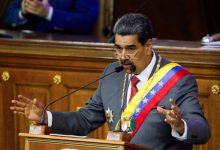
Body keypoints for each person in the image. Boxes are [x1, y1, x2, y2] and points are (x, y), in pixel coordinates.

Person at [10, 13, 211, 150]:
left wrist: (180, 125)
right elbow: (85, 120)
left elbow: (202, 130)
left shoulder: (177, 80)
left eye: (130, 49)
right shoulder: (113, 73)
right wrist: (45, 116)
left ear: (148, 46)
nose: (122, 56)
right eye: (118, 48)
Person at [4, 0, 99, 34]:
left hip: (63, 51)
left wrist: (49, 13)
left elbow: (86, 23)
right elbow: (8, 17)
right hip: (25, 48)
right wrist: (23, 10)